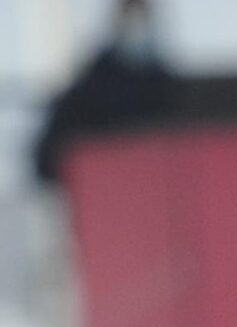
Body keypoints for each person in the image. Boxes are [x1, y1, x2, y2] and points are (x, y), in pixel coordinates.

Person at [32, 0, 178, 187]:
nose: (138, 26)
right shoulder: (90, 88)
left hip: (151, 186)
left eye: (143, 16)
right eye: (132, 16)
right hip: (104, 186)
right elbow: (47, 156)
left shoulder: (163, 83)